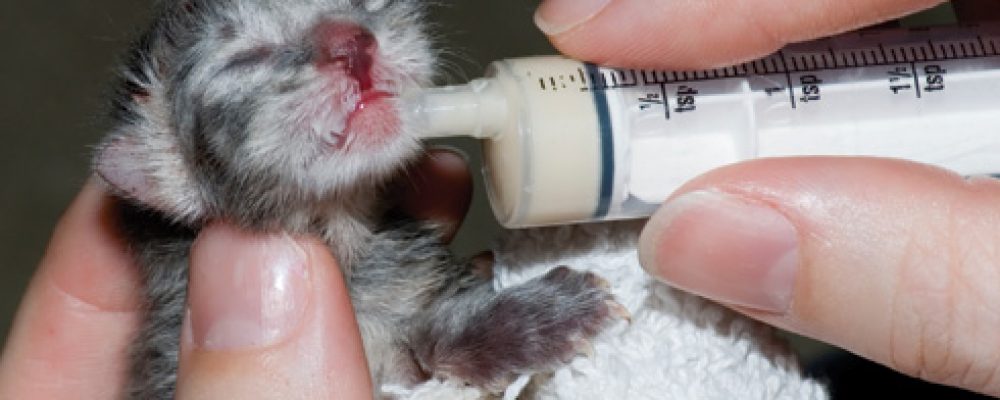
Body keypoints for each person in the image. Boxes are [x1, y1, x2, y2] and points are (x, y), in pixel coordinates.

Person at [2, 1, 998, 398]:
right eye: (250, 58)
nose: (349, 37)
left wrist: (450, 340)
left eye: (359, 6)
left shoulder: (383, 249)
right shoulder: (191, 335)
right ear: (169, 177)